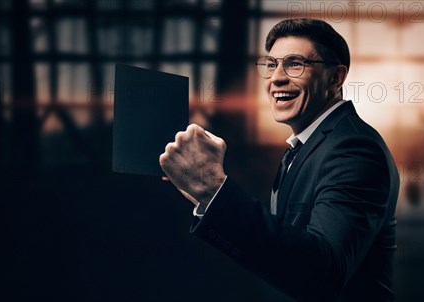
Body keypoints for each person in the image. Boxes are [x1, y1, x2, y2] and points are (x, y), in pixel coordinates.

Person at [159, 19, 399, 302]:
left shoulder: (353, 148)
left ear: (335, 78)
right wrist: (207, 198)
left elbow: (324, 272)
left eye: (295, 64)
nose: (277, 78)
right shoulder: (307, 146)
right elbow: (285, 247)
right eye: (271, 65)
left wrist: (214, 190)